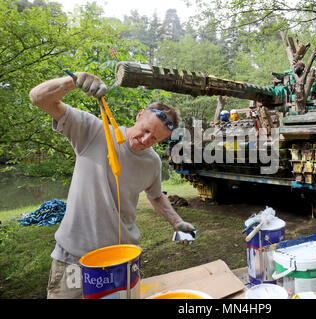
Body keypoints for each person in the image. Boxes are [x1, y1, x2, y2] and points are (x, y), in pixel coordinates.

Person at [29, 72, 196, 299]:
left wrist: (177, 222)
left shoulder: (152, 162)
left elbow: (155, 196)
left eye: (155, 139)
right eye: (146, 130)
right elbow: (39, 98)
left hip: (123, 260)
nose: (146, 140)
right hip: (75, 259)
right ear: (139, 115)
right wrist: (73, 81)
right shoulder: (93, 131)